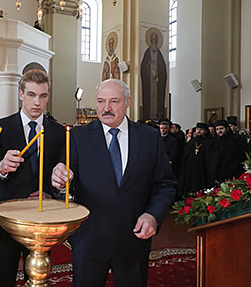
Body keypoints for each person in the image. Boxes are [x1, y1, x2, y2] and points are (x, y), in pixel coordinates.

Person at [51, 79, 176, 287]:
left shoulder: (149, 137)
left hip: (134, 238)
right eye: (101, 101)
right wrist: (60, 180)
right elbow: (65, 180)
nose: (106, 108)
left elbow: (165, 184)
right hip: (89, 238)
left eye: (114, 101)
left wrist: (153, 215)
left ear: (127, 102)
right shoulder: (78, 136)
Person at [0, 69, 65, 287]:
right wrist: (1, 167)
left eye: (42, 96)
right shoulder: (1, 127)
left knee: (38, 278)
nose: (37, 102)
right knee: (3, 278)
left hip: (41, 217)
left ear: (48, 96)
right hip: (7, 218)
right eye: (31, 95)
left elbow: (61, 172)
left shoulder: (58, 132)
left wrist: (54, 189)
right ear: (21, 94)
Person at [177, 122, 212, 197]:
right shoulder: (192, 141)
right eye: (197, 129)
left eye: (201, 130)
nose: (198, 131)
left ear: (206, 131)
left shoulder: (209, 142)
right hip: (189, 169)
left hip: (202, 169)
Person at [140, 31, 167, 120]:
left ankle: (159, 116)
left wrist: (159, 74)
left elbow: (163, 67)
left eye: (155, 39)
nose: (154, 41)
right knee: (149, 97)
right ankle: (147, 116)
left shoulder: (160, 54)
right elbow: (143, 66)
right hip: (149, 82)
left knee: (158, 98)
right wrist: (148, 69)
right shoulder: (147, 52)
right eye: (153, 39)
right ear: (150, 40)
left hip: (157, 81)